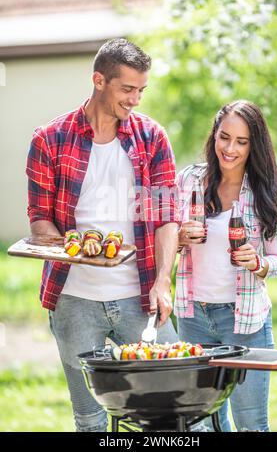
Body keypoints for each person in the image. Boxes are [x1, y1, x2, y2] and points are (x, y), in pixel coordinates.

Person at [26, 38, 179, 432]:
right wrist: (73, 246)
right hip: (75, 301)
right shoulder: (49, 139)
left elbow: (165, 218)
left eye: (142, 90)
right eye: (127, 89)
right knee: (90, 419)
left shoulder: (152, 138)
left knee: (166, 413)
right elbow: (40, 220)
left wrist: (163, 281)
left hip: (139, 295)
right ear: (98, 80)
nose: (136, 100)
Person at [175, 100, 277, 432]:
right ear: (214, 135)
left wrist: (257, 263)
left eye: (241, 142)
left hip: (245, 320)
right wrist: (179, 237)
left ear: (253, 145)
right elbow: (164, 239)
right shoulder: (189, 182)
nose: (230, 148)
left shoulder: (264, 192)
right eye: (224, 137)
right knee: (204, 423)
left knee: (250, 424)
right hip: (193, 317)